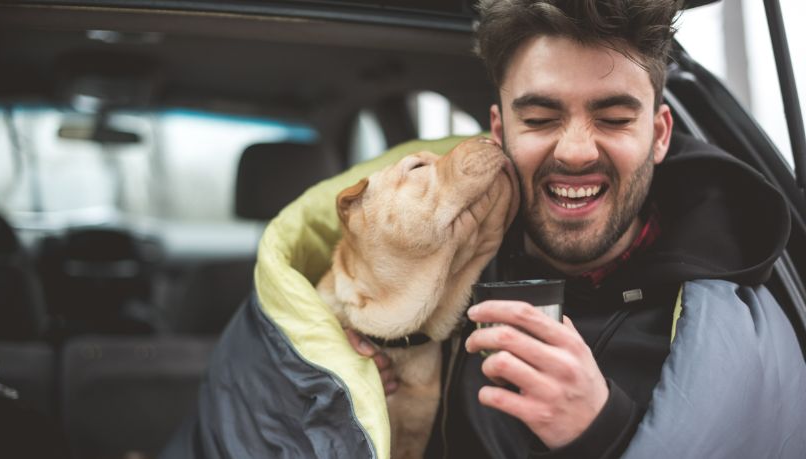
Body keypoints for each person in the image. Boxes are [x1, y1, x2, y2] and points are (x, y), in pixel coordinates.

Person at [163, 1, 806, 458]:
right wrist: (358, 371)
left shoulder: (737, 323)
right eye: (540, 118)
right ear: (499, 131)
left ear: (659, 134)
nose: (575, 151)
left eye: (613, 117)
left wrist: (603, 432)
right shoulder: (437, 255)